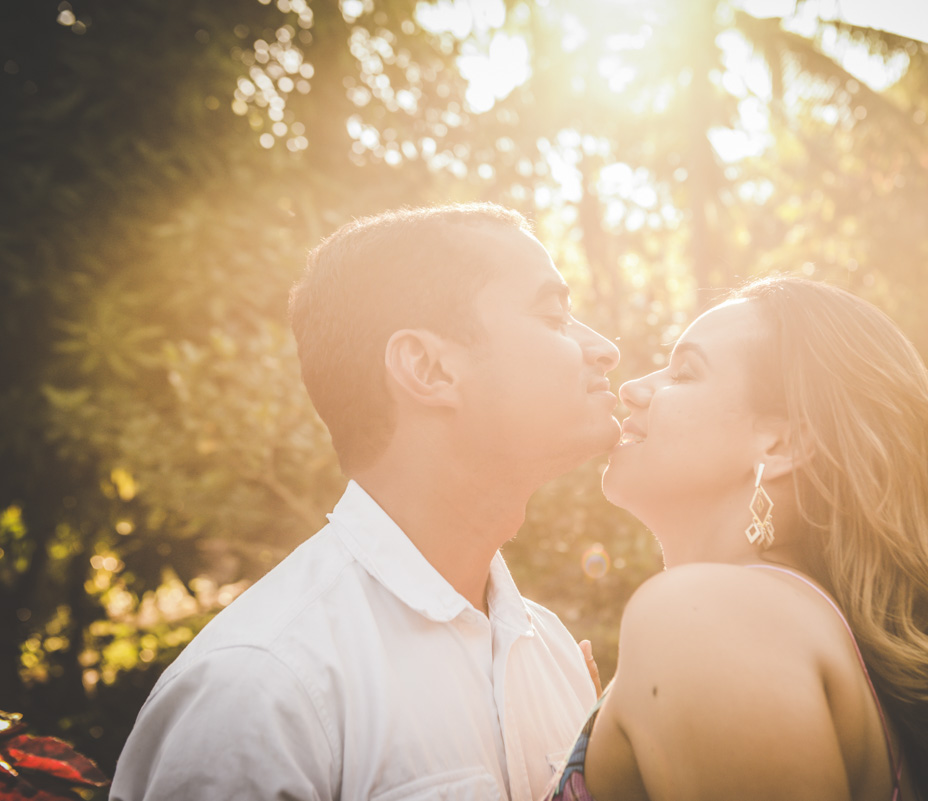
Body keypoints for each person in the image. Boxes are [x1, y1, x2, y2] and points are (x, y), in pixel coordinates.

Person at [111, 203, 619, 801]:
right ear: (428, 368)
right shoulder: (261, 689)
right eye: (555, 316)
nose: (605, 348)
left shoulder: (554, 654)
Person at [544, 276, 928, 801]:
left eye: (683, 372)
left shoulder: (709, 617)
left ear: (781, 442)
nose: (632, 388)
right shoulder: (783, 628)